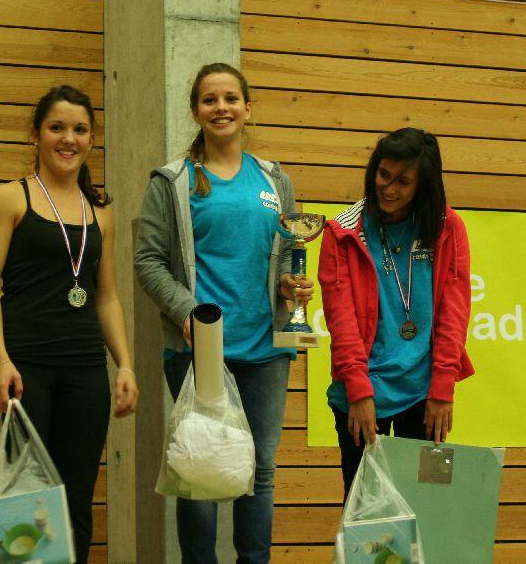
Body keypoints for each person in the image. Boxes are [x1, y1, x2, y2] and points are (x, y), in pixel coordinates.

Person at [135, 62, 313, 564]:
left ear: (247, 108)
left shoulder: (275, 179)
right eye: (209, 100)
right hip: (199, 349)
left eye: (231, 98)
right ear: (195, 111)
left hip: (265, 350)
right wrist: (187, 312)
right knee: (200, 469)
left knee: (261, 470)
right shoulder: (172, 181)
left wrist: (290, 285)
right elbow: (147, 260)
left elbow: (286, 251)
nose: (221, 108)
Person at [0, 84, 138, 564]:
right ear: (36, 134)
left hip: (84, 372)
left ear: (91, 139)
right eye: (57, 128)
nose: (69, 139)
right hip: (22, 368)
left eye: (80, 129)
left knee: (75, 502)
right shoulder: (10, 198)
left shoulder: (101, 213)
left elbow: (106, 296)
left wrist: (125, 365)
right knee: (25, 501)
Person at [318, 127, 474, 500]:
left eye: (403, 181)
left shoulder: (447, 227)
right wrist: (358, 393)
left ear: (424, 185)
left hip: (424, 395)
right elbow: (342, 322)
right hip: (362, 393)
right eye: (383, 174)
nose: (388, 188)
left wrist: (442, 388)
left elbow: (454, 311)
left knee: (426, 506)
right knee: (365, 512)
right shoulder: (342, 232)